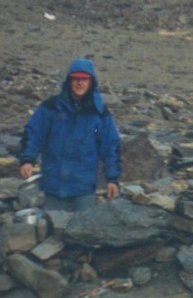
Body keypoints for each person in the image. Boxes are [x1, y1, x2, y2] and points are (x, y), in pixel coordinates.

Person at [19, 58, 122, 212]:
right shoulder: (52, 107)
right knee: (52, 230)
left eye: (84, 79)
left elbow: (110, 146)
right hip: (53, 185)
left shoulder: (99, 113)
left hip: (83, 188)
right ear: (69, 80)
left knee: (83, 233)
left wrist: (112, 179)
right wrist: (27, 160)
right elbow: (34, 134)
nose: (80, 83)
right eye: (76, 78)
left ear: (91, 82)